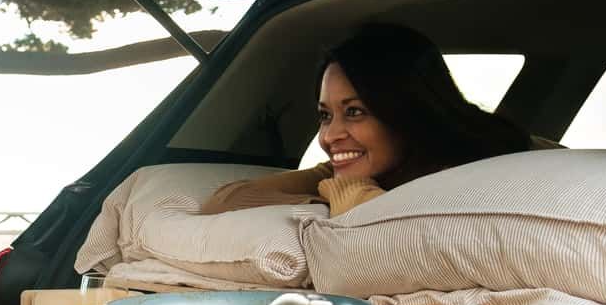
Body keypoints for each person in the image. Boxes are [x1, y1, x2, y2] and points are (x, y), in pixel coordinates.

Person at [200, 22, 539, 216]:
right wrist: (332, 198)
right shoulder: (349, 175)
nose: (330, 136)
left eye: (355, 112)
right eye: (324, 115)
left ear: (407, 111)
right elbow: (225, 202)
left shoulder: (478, 176)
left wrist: (355, 198)